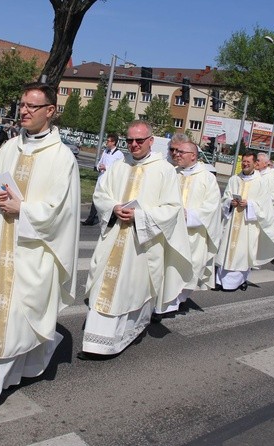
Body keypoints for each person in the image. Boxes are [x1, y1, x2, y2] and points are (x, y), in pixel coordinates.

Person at [0, 83, 80, 414]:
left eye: (32, 106)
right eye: (22, 105)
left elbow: (61, 211)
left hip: (32, 251)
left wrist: (23, 210)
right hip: (2, 243)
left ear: (50, 111)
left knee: (17, 318)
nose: (24, 111)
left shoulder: (62, 158)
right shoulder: (11, 147)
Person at [79, 120, 192, 358]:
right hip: (113, 239)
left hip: (141, 244)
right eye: (129, 140)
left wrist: (140, 216)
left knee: (131, 290)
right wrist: (113, 207)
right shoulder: (119, 166)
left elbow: (172, 208)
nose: (134, 145)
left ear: (151, 140)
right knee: (104, 287)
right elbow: (101, 194)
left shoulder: (164, 170)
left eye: (139, 140)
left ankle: (126, 333)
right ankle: (96, 343)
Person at [164, 133, 221, 313]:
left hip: (192, 234)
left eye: (181, 152)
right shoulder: (172, 173)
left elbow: (212, 207)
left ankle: (175, 301)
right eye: (175, 151)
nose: (176, 154)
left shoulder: (207, 178)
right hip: (170, 231)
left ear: (193, 155)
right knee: (167, 267)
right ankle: (164, 302)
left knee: (187, 267)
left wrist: (190, 216)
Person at [215, 151, 274, 291]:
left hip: (248, 225)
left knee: (243, 253)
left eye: (248, 162)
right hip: (232, 222)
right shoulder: (234, 179)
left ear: (255, 164)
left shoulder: (261, 183)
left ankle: (239, 281)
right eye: (243, 161)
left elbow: (265, 207)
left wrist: (249, 204)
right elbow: (224, 198)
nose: (244, 164)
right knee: (226, 249)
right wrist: (229, 203)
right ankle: (221, 280)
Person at [82, 133, 124, 226]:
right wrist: (98, 167)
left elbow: (119, 169)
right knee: (96, 197)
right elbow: (100, 162)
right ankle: (90, 219)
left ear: (113, 142)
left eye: (108, 141)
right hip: (101, 178)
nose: (106, 143)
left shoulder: (119, 154)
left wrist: (107, 168)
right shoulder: (105, 151)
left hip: (110, 181)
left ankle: (109, 219)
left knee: (107, 200)